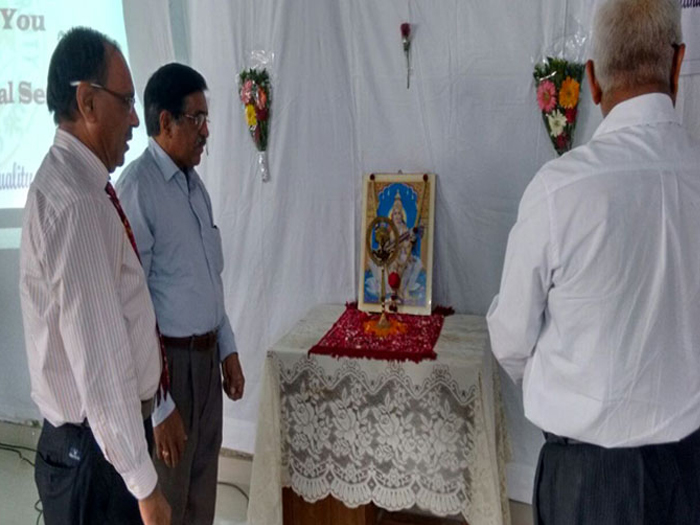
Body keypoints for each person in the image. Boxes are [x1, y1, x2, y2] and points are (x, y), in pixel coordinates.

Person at [487, 0, 700, 523]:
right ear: (678, 63)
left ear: (592, 80)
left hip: (589, 481)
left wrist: (570, 388)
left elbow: (511, 339)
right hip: (692, 469)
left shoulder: (560, 192)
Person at [18, 27, 171, 524]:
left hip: (92, 448)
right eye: (126, 102)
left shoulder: (72, 184)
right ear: (86, 102)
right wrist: (145, 487)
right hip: (98, 460)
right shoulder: (78, 204)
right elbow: (101, 365)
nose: (135, 119)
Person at [116, 63, 245, 525]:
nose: (205, 131)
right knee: (169, 502)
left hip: (206, 366)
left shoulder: (195, 188)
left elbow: (210, 280)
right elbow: (132, 307)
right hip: (169, 369)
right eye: (197, 119)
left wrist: (227, 349)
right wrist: (160, 406)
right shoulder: (138, 190)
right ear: (165, 121)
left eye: (206, 119)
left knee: (201, 496)